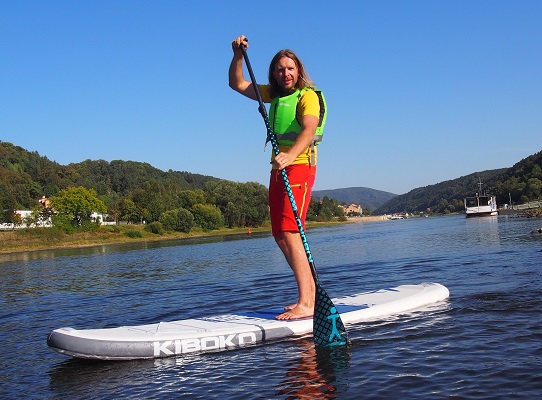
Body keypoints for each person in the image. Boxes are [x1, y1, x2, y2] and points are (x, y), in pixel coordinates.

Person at [229, 35, 326, 320]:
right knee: (279, 234)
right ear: (274, 72)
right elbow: (237, 84)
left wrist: (290, 156)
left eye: (290, 68)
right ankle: (309, 296)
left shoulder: (307, 96)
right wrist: (237, 55)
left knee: (290, 230)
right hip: (279, 168)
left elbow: (309, 130)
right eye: (280, 69)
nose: (286, 73)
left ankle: (306, 303)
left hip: (300, 164)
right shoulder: (274, 95)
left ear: (299, 71)